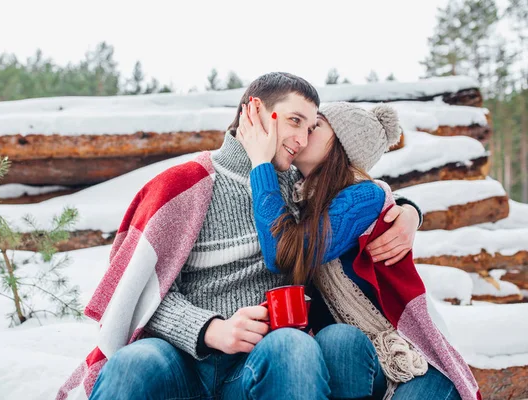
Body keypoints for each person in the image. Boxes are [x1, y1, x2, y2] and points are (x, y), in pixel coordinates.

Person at [76, 72, 422, 400]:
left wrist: (409, 212)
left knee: (294, 348)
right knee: (133, 364)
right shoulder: (184, 185)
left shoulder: (298, 191)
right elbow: (137, 292)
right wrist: (209, 329)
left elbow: (356, 196)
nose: (302, 140)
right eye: (294, 121)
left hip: (257, 364)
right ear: (255, 111)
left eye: (311, 127)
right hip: (180, 358)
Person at [239, 101, 479, 399]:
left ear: (342, 145)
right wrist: (410, 209)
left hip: (412, 361)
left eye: (315, 127)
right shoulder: (300, 196)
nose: (304, 133)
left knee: (340, 341)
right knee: (338, 340)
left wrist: (260, 165)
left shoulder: (365, 196)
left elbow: (282, 252)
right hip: (356, 357)